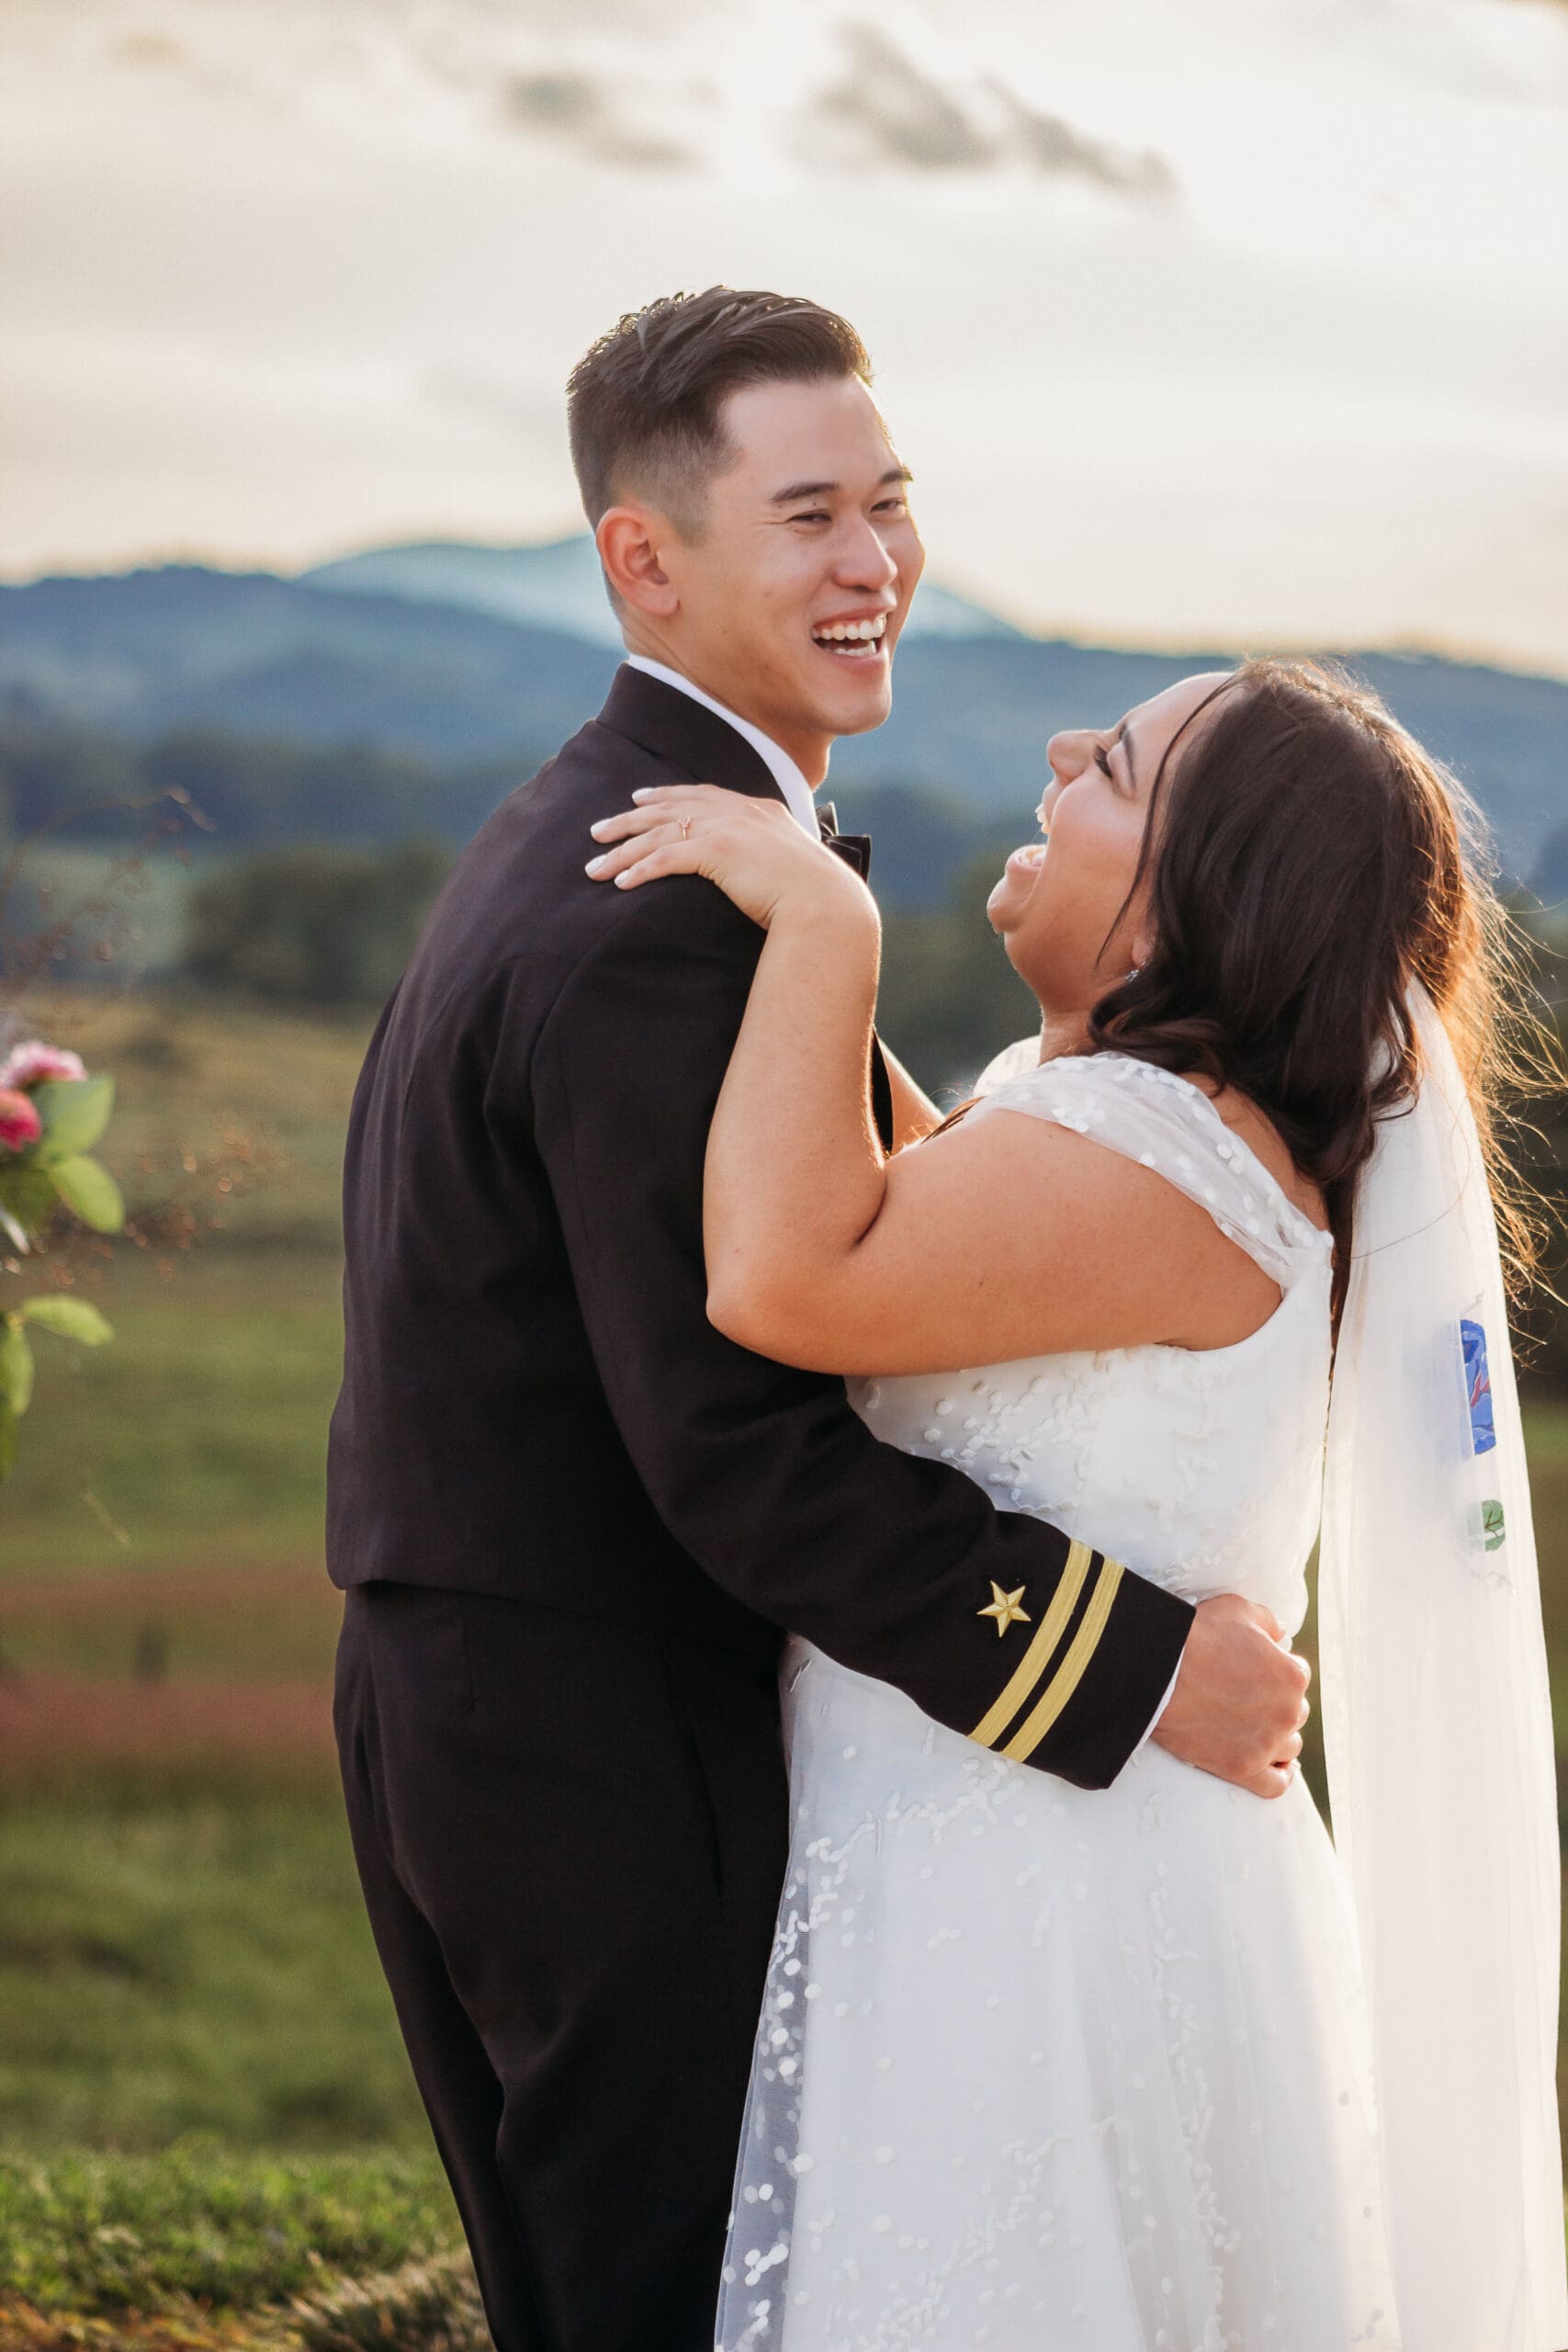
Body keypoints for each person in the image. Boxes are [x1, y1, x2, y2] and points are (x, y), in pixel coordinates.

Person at [325, 288, 1307, 2352]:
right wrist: (1135, 1666)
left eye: (887, 502)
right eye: (806, 517)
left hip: (493, 1708)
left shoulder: (624, 833)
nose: (871, 563)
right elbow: (734, 1447)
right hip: (604, 1749)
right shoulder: (666, 914)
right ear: (644, 557)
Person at [590, 658, 1568, 2349]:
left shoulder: (1153, 1144)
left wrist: (825, 926)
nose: (1056, 754)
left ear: (1171, 922)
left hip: (1046, 1920)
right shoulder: (1139, 1133)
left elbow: (785, 1271)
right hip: (1051, 1866)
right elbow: (918, 1192)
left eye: (1109, 765)